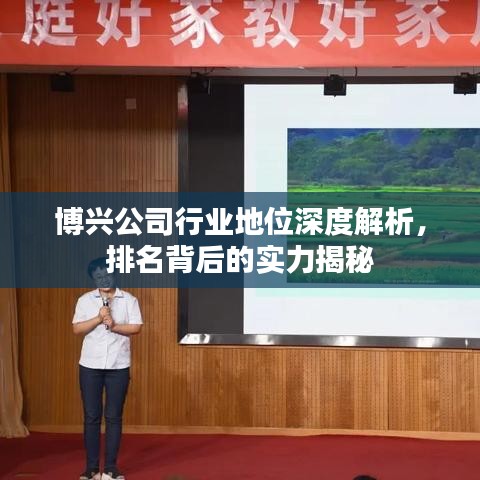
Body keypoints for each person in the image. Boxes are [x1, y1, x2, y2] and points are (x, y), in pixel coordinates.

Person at [72, 257, 143, 480]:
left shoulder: (129, 299)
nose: (104, 279)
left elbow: (136, 327)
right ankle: (91, 469)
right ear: (93, 279)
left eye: (107, 274)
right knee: (91, 417)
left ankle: (111, 468)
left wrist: (115, 326)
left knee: (113, 417)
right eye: (98, 276)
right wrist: (98, 318)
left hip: (118, 365)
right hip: (90, 365)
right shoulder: (85, 300)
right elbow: (77, 329)